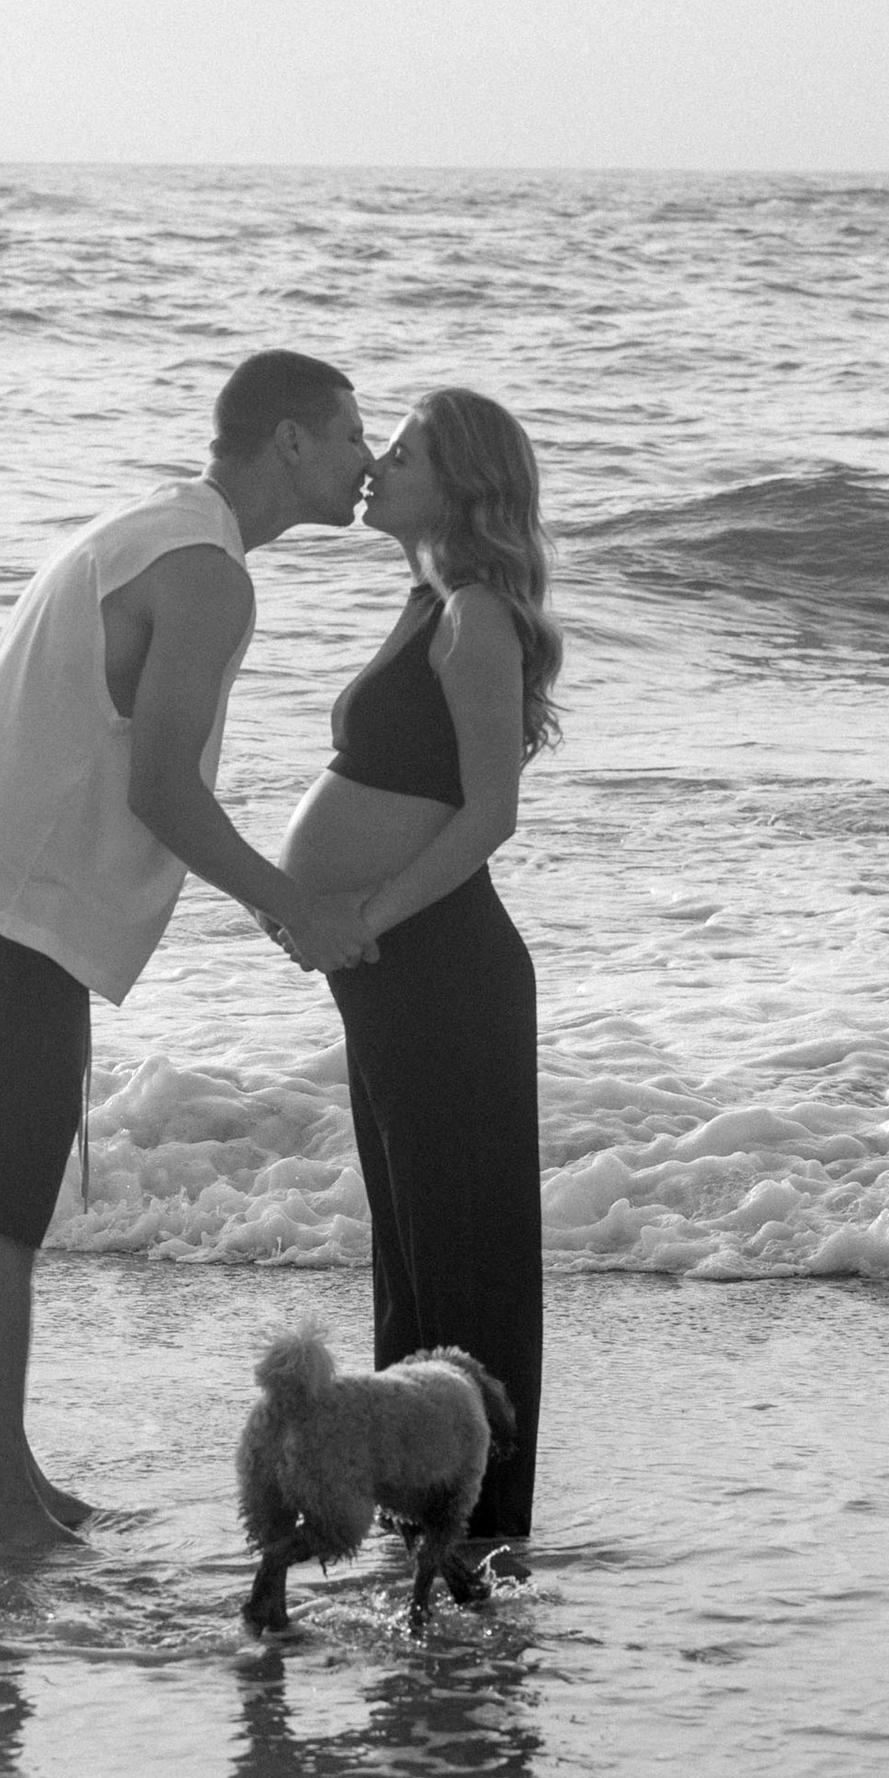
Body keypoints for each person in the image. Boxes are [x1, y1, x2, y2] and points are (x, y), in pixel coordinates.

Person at [0, 350, 380, 1562]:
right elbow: (163, 789)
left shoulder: (153, 528)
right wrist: (291, 911)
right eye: (352, 435)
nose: (369, 461)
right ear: (287, 443)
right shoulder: (208, 576)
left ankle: (10, 1480)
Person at [275, 386, 560, 1547]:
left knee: (461, 1258)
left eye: (401, 454)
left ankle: (479, 1532)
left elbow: (489, 814)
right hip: (394, 971)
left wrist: (366, 912)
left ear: (461, 486)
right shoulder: (424, 600)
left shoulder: (477, 615)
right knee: (409, 1248)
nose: (376, 467)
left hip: (444, 971)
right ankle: (419, 1525)